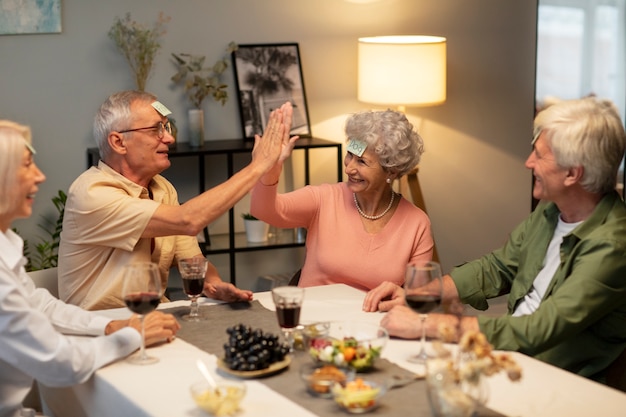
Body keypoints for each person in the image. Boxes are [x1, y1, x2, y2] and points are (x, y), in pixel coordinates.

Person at [364, 97, 626, 383]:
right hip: (510, 355)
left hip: (553, 376)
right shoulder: (552, 209)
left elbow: (539, 328)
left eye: (538, 155)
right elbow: (498, 267)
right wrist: (420, 295)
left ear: (573, 174)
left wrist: (430, 324)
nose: (528, 163)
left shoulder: (612, 246)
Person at [0, 120, 181, 417]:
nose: (40, 176)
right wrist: (132, 336)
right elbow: (60, 365)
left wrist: (110, 326)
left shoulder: (5, 243)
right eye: (26, 165)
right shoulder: (92, 191)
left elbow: (40, 305)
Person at [58, 90, 291, 310]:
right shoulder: (92, 193)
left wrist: (212, 282)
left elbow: (192, 259)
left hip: (151, 318)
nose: (169, 138)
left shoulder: (162, 188)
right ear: (119, 142)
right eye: (155, 129)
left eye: (166, 127)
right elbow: (188, 220)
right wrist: (259, 166)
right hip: (98, 331)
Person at [251, 108, 435, 291]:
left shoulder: (416, 223)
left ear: (391, 170)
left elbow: (416, 298)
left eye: (361, 162)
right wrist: (269, 171)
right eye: (350, 155)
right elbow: (264, 211)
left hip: (373, 319)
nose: (349, 169)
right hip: (314, 317)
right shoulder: (324, 199)